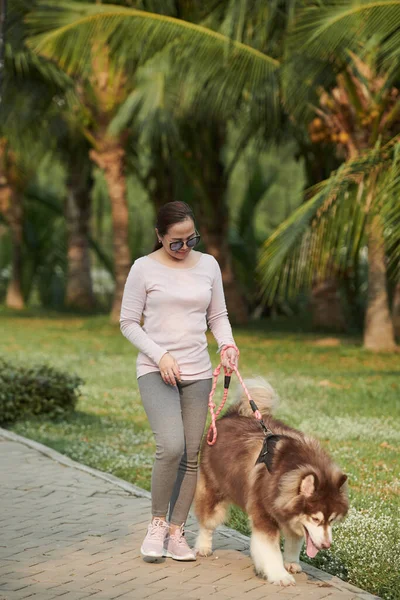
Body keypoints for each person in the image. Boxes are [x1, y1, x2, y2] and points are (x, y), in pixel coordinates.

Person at [120, 201, 238, 562]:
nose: (185, 247)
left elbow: (217, 314)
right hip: (156, 370)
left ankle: (176, 531)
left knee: (191, 454)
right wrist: (161, 355)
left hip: (198, 372)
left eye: (191, 239)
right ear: (159, 236)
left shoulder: (208, 265)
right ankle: (157, 524)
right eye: (176, 242)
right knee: (170, 447)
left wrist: (228, 344)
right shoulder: (142, 269)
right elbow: (128, 322)